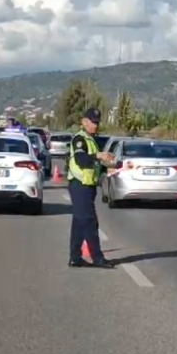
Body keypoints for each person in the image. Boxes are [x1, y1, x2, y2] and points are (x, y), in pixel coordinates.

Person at [66, 108, 116, 269]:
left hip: (88, 186)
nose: (95, 125)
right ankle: (97, 258)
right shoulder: (80, 139)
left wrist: (105, 168)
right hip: (79, 185)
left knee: (79, 223)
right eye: (93, 122)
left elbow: (93, 164)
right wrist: (98, 156)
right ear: (84, 122)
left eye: (97, 122)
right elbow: (81, 160)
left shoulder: (91, 139)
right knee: (90, 222)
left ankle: (75, 257)